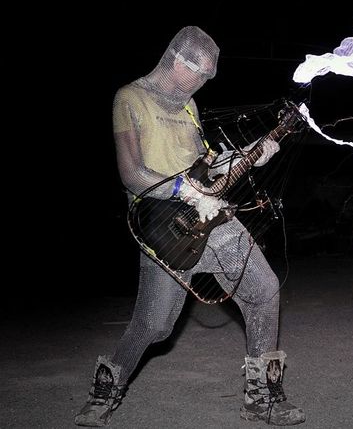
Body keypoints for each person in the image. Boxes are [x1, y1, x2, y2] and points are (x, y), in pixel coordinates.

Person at [74, 26, 305, 427]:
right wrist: (184, 189)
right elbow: (131, 175)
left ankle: (262, 397)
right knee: (155, 325)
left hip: (212, 223)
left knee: (264, 288)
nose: (202, 83)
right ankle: (103, 393)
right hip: (162, 230)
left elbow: (206, 166)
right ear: (178, 61)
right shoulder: (130, 98)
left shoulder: (188, 107)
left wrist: (250, 157)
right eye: (200, 74)